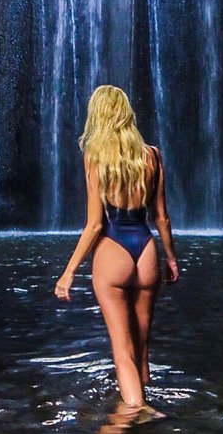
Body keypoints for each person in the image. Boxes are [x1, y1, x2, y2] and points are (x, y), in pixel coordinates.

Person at [54, 84, 179, 410]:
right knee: (142, 349)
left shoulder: (95, 157)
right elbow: (162, 218)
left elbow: (95, 224)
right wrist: (171, 259)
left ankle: (137, 413)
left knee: (122, 352)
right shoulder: (152, 155)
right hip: (146, 251)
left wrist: (68, 273)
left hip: (114, 250)